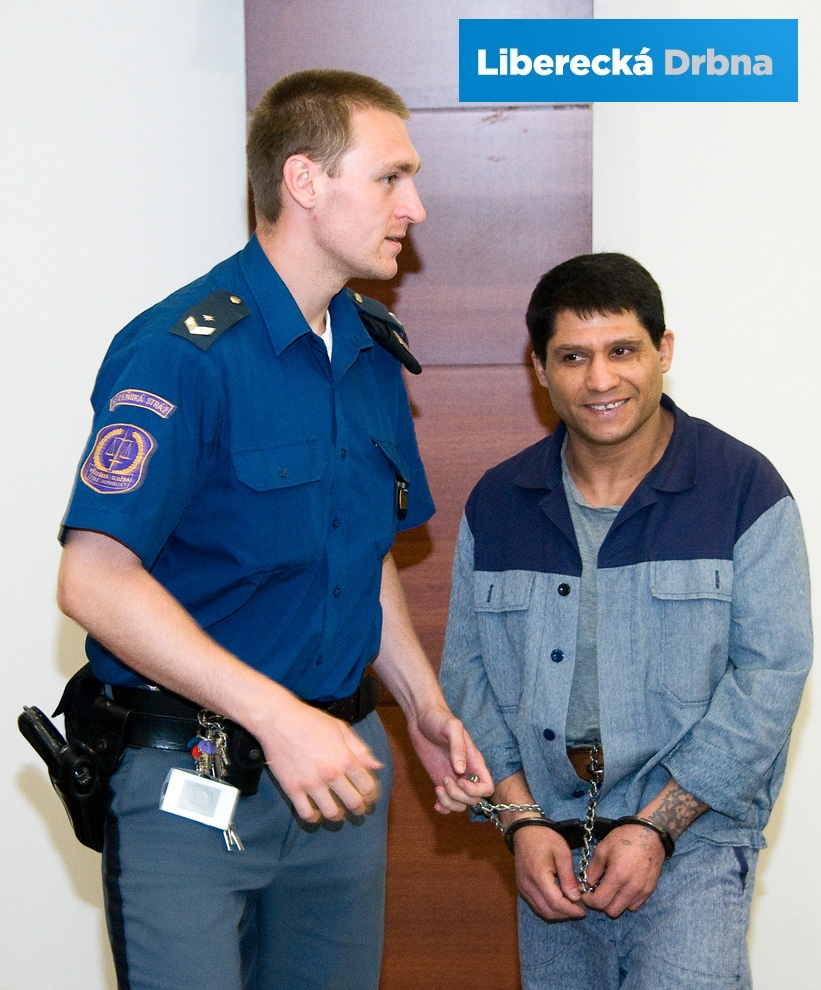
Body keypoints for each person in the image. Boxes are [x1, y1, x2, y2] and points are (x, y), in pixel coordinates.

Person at [56, 68, 491, 990]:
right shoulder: (181, 353)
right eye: (390, 177)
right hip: (192, 778)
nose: (413, 206)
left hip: (340, 779)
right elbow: (93, 578)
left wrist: (422, 707)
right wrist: (274, 717)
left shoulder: (369, 351)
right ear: (304, 181)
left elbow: (359, 556)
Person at [440, 252, 812, 989]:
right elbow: (467, 674)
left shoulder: (743, 490)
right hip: (549, 839)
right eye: (573, 357)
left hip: (696, 836)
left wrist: (656, 827)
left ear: (663, 350)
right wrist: (519, 821)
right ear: (539, 368)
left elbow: (771, 675)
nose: (600, 380)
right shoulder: (498, 503)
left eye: (622, 351)